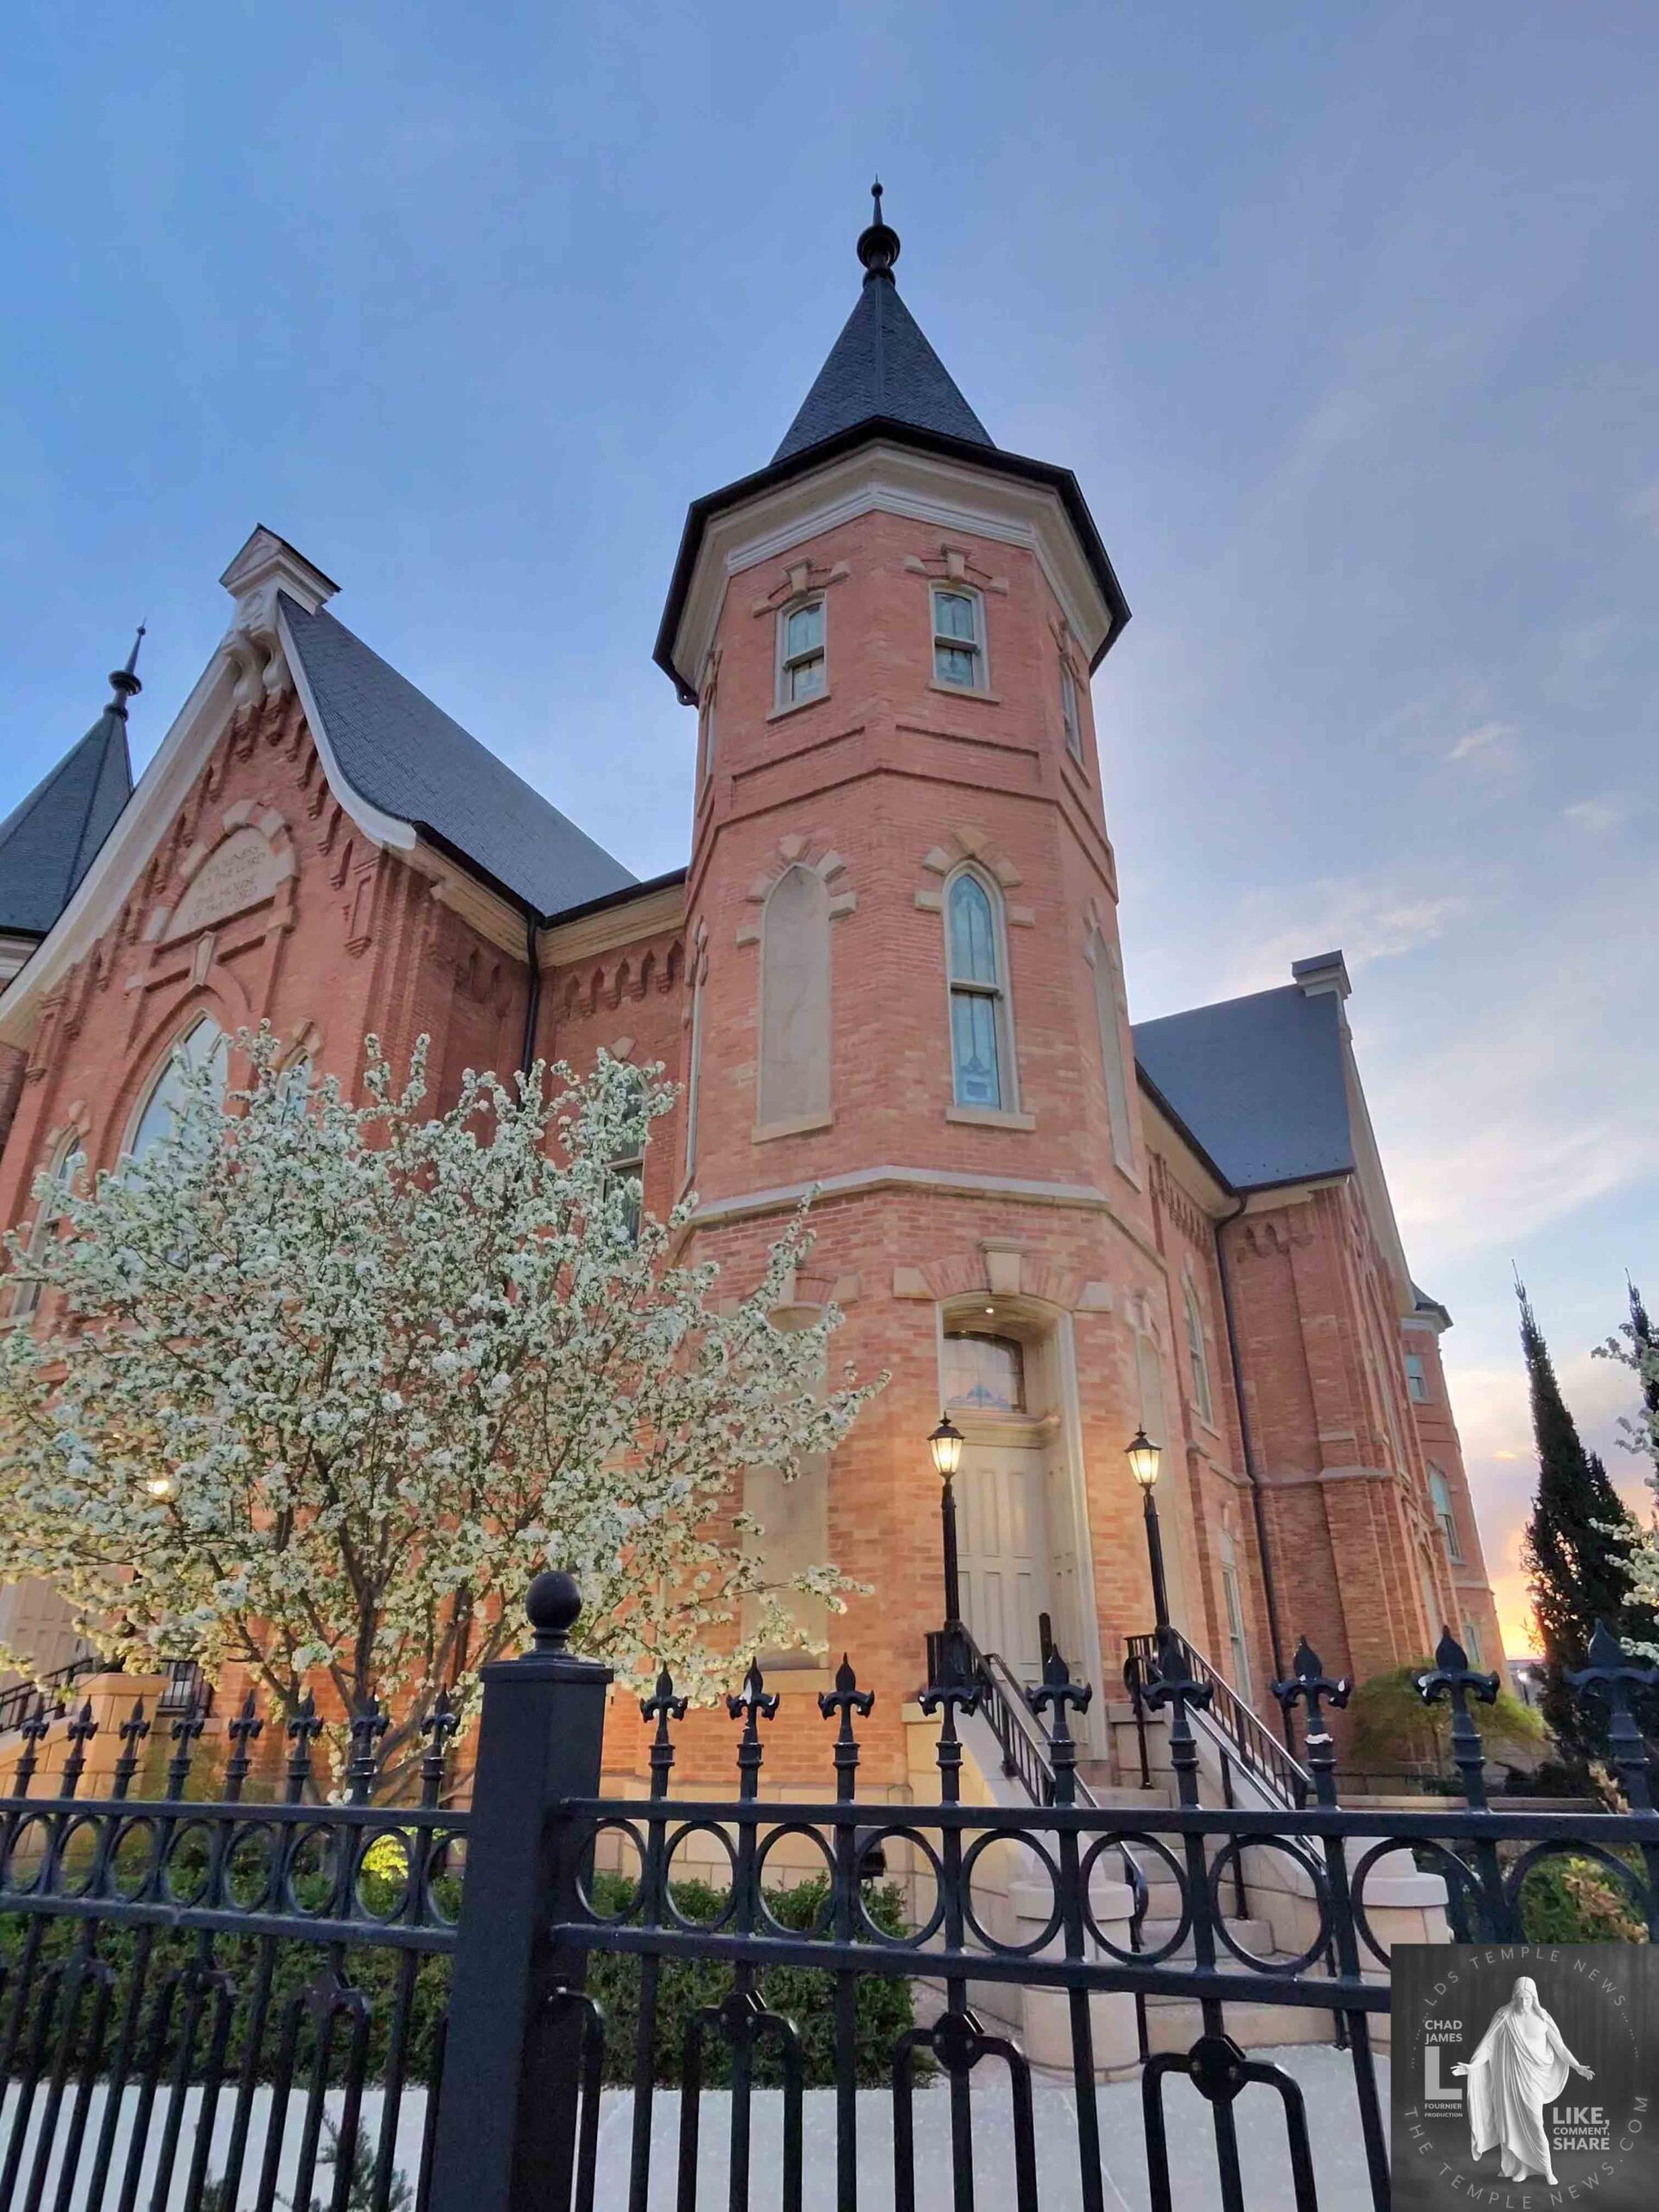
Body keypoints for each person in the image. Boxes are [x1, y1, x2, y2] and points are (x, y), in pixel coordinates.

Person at [1452, 1976, 1594, 2186]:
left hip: (1533, 2079)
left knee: (1535, 2123)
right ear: (1514, 1996)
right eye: (1520, 1998)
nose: (1524, 2003)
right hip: (1509, 2079)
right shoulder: (1504, 2016)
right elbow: (1488, 2047)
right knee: (1512, 2124)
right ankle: (1522, 2168)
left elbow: (1560, 2047)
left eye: (1528, 1998)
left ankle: (1547, 2169)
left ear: (1534, 1998)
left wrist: (1577, 2066)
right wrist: (1471, 2067)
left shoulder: (1543, 2018)